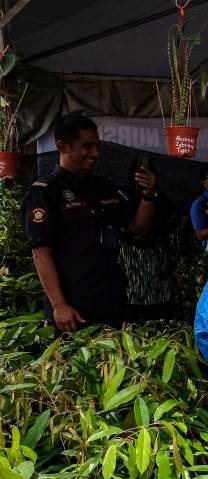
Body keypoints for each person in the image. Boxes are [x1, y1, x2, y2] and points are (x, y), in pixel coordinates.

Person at [24, 113, 158, 331]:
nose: (95, 153)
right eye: (87, 146)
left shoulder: (105, 187)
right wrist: (59, 306)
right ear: (62, 147)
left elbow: (138, 228)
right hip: (73, 311)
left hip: (112, 304)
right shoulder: (45, 192)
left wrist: (149, 195)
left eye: (97, 146)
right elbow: (41, 254)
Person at [118, 156, 179, 321]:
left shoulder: (161, 197)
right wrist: (147, 195)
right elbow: (138, 229)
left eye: (147, 172)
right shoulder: (123, 195)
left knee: (159, 323)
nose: (143, 176)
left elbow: (172, 221)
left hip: (157, 279)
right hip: (130, 281)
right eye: (139, 172)